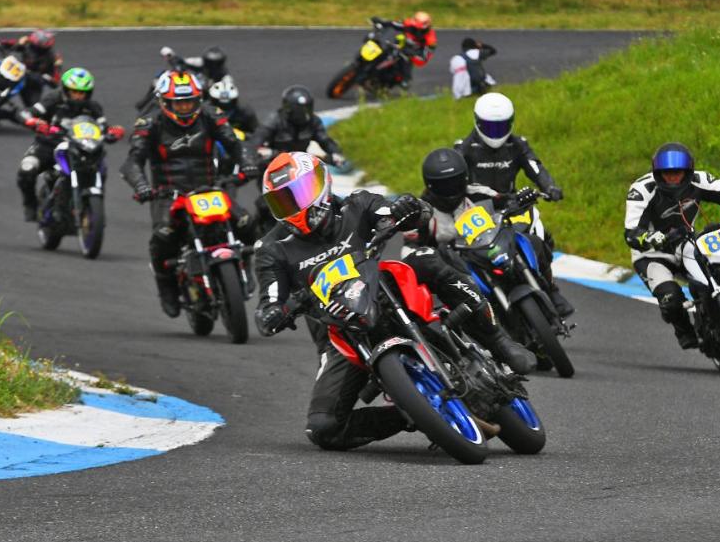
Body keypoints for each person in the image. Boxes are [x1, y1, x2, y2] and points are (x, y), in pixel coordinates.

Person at [254, 151, 534, 452]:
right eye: (284, 202)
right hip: (338, 334)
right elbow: (268, 300)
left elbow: (396, 212)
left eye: (299, 194)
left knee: (424, 258)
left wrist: (407, 209)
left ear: (322, 183)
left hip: (385, 291)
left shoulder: (356, 205)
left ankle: (499, 340)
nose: (295, 207)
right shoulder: (273, 250)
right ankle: (405, 413)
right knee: (323, 429)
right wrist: (272, 313)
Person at [120, 69, 259, 318]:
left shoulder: (211, 114)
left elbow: (236, 144)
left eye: (189, 101)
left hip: (211, 189)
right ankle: (166, 286)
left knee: (247, 222)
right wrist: (141, 186)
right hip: (169, 195)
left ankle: (245, 262)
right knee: (163, 239)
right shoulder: (148, 122)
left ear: (199, 99)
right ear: (164, 101)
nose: (184, 107)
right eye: (179, 102)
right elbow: (132, 161)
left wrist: (247, 163)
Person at [624, 142, 720, 349]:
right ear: (657, 173)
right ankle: (684, 330)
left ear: (688, 171)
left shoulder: (700, 180)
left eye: (678, 173)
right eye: (667, 173)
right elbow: (631, 232)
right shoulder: (641, 189)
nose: (673, 178)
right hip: (651, 254)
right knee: (671, 299)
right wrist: (648, 237)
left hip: (685, 242)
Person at [407, 147, 570, 318]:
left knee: (532, 241)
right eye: (444, 184)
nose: (450, 189)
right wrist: (426, 256)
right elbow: (411, 248)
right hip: (459, 267)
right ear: (430, 185)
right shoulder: (422, 213)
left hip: (489, 247)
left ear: (464, 177)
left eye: (454, 182)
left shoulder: (476, 192)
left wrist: (521, 198)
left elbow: (505, 200)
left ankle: (551, 291)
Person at [454, 92, 572, 316]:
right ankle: (483, 303)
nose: (496, 134)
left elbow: (535, 167)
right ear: (477, 122)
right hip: (478, 212)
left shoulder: (518, 145)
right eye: (490, 127)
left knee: (540, 236)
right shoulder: (464, 148)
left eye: (501, 127)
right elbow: (455, 179)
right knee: (463, 254)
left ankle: (550, 288)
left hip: (513, 204)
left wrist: (550, 187)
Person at [17, 67, 122, 222]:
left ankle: (91, 207)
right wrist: (34, 122)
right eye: (74, 92)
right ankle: (30, 204)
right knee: (27, 168)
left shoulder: (94, 107)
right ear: (66, 90)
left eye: (82, 93)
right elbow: (27, 113)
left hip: (80, 147)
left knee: (101, 166)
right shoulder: (52, 99)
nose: (78, 96)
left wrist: (113, 132)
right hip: (49, 144)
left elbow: (104, 127)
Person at [249, 85, 346, 233]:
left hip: (300, 169)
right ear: (289, 109)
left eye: (308, 109)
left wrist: (336, 153)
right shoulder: (274, 121)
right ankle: (260, 231)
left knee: (319, 196)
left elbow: (325, 140)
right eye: (301, 110)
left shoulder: (313, 121)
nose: (305, 114)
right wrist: (264, 152)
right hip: (274, 170)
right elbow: (255, 142)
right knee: (268, 205)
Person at [0, 29, 62, 108]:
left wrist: (49, 76)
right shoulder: (28, 44)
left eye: (40, 46)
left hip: (31, 83)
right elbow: (13, 44)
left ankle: (7, 114)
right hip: (16, 70)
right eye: (35, 44)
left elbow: (55, 81)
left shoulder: (52, 58)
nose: (36, 47)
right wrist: (0, 43)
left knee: (34, 110)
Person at [371, 11, 437, 87]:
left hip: (417, 53)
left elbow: (426, 56)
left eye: (419, 30)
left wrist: (414, 54)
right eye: (415, 28)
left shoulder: (431, 39)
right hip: (403, 44)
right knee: (388, 45)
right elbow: (394, 24)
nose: (416, 31)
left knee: (405, 56)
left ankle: (405, 79)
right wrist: (382, 22)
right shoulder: (409, 24)